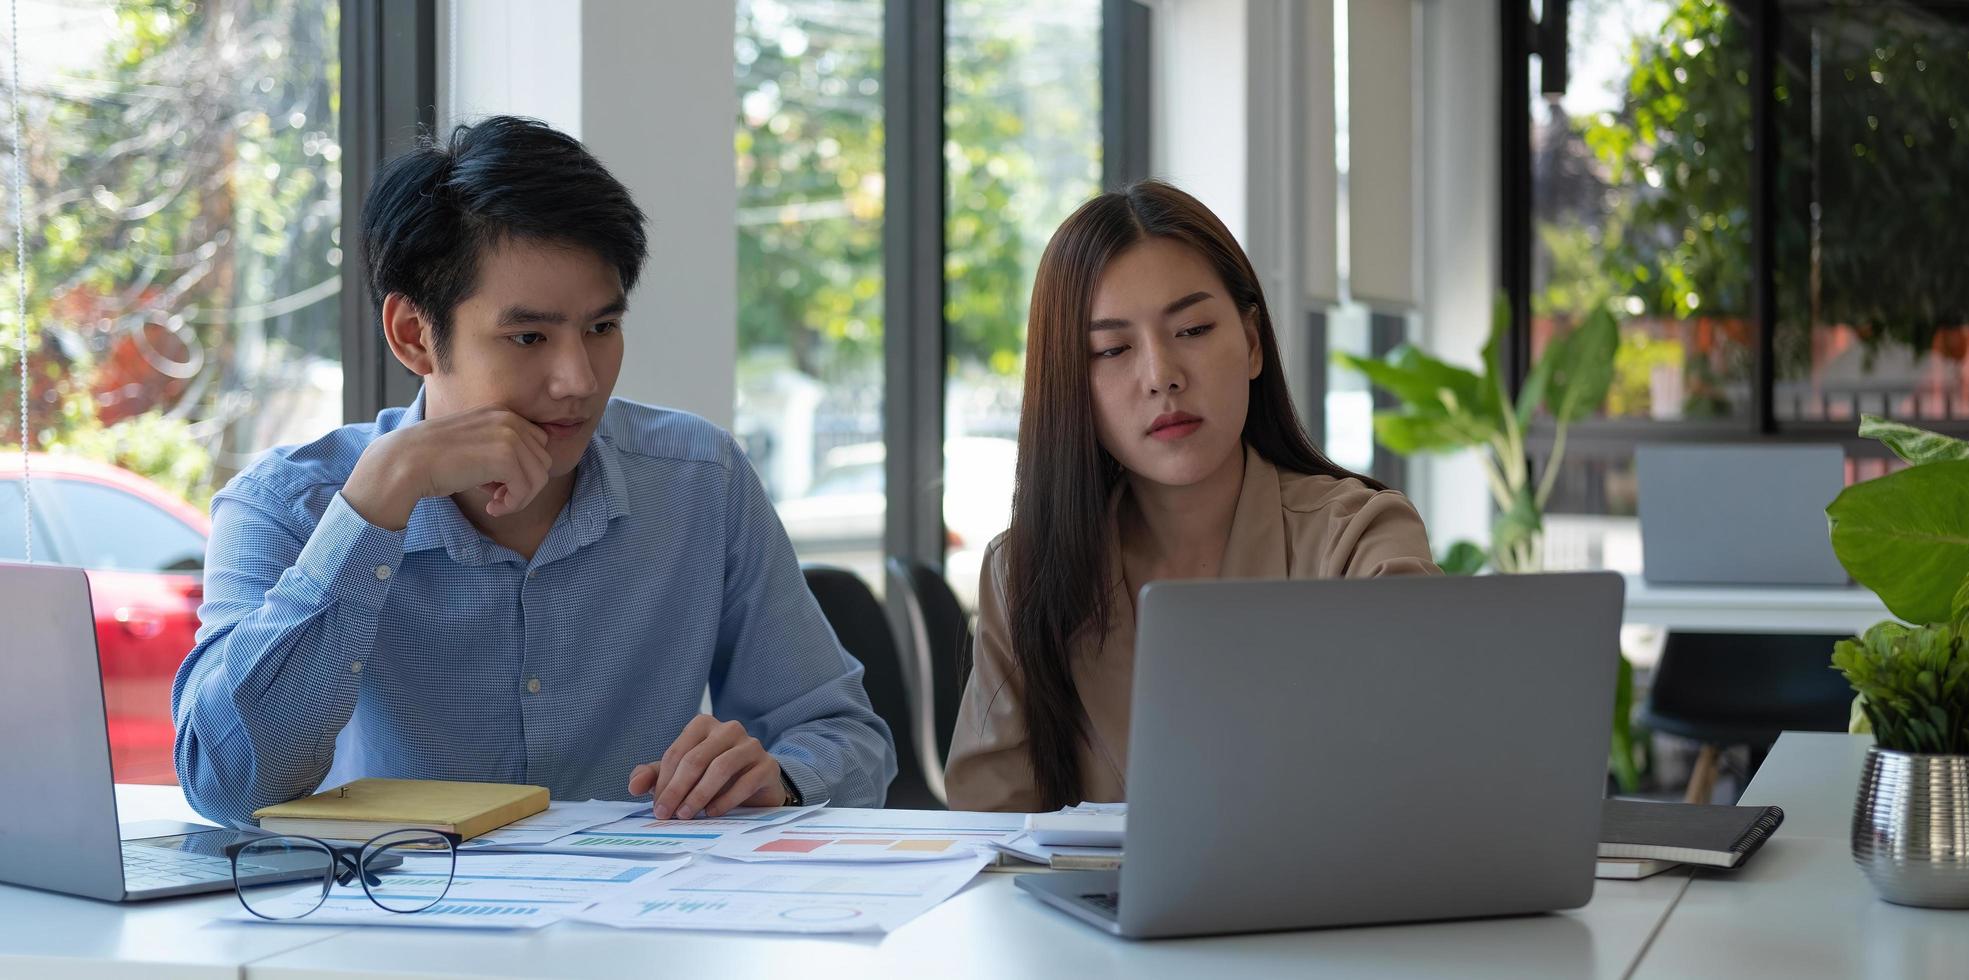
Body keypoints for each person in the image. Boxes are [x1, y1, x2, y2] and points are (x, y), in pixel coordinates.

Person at [172, 116, 895, 827]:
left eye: (601, 329)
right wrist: (374, 504)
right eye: (528, 337)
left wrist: (780, 778)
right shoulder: (286, 507)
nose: (577, 379)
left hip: (636, 928)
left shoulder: (699, 480)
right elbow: (226, 785)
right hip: (386, 933)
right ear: (413, 335)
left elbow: (847, 739)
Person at [944, 180, 1441, 812]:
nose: (1161, 376)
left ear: (1254, 343)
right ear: (1072, 385)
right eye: (1113, 349)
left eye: (1194, 329)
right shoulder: (1025, 572)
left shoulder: (1359, 537)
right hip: (1090, 912)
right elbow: (992, 836)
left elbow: (1423, 779)